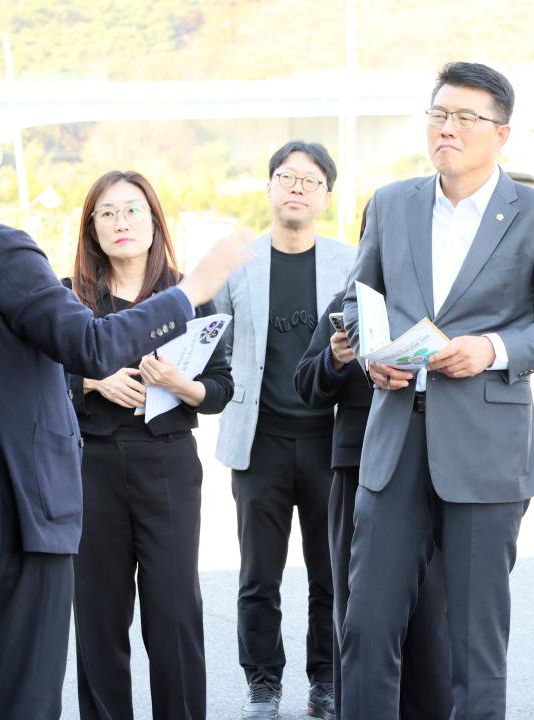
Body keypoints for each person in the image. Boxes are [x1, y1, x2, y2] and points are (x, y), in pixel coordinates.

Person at [0, 102, 251, 720]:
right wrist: (192, 290)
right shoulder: (1, 250)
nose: (1, 172)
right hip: (13, 517)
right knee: (21, 702)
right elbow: (90, 345)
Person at [340, 62, 534, 719]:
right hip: (394, 442)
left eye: (464, 118)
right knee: (365, 630)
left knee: (473, 646)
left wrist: (492, 349)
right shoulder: (391, 203)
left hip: (485, 452)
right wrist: (371, 355)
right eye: (437, 114)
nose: (446, 129)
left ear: (500, 134)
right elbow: (355, 301)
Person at [65, 170, 232, 720]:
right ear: (92, 229)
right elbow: (36, 379)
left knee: (174, 610)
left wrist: (181, 386)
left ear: (154, 220)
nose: (121, 223)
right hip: (91, 466)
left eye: (133, 210)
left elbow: (221, 388)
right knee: (98, 612)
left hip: (166, 464)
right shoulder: (69, 298)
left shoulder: (187, 294)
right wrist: (93, 382)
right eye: (107, 213)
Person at [293, 208, 453, 720]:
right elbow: (306, 384)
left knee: (433, 618)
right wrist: (337, 359)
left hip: (435, 466)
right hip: (359, 466)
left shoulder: (445, 298)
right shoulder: (350, 303)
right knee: (362, 614)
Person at [214, 141, 356, 720]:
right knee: (258, 576)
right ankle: (262, 685)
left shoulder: (349, 261)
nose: (296, 187)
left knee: (330, 574)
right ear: (269, 187)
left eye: (310, 180)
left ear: (326, 195)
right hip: (259, 440)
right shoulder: (238, 265)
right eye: (285, 176)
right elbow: (215, 345)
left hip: (330, 440)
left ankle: (325, 681)